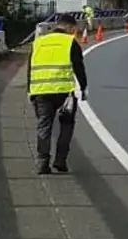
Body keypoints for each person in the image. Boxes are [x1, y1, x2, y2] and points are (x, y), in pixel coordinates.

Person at [28, 12, 88, 175]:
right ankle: (60, 160)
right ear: (68, 27)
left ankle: (42, 161)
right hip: (64, 93)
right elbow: (79, 67)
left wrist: (29, 91)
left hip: (40, 91)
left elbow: (30, 68)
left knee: (44, 126)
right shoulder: (70, 43)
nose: (74, 32)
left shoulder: (38, 42)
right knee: (67, 125)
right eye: (73, 29)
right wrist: (83, 88)